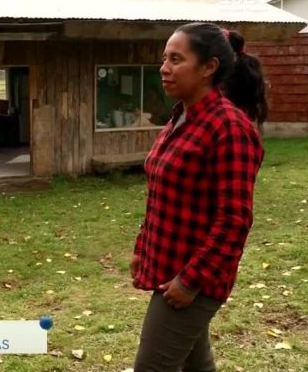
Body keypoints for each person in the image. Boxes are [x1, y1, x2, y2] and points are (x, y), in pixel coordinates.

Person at [130, 22, 266, 372]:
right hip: (168, 264)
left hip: (195, 278)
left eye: (176, 59)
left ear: (209, 68)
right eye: (164, 59)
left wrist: (190, 281)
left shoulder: (230, 128)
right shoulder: (181, 118)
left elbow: (235, 220)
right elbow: (161, 194)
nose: (164, 68)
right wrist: (142, 248)